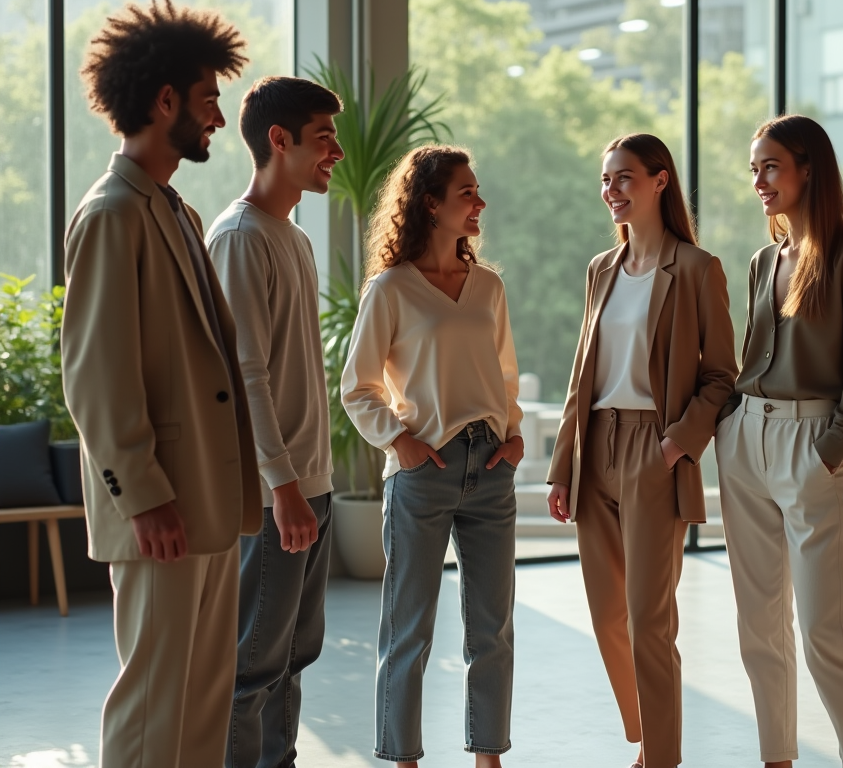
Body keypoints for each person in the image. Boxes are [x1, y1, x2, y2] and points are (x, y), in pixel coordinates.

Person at [60, 0, 258, 768]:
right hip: (162, 504)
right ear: (165, 100)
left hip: (202, 498)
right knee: (154, 702)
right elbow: (95, 372)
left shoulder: (170, 207)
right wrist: (141, 493)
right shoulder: (114, 213)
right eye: (207, 97)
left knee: (202, 697)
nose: (216, 115)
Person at [546, 133, 738, 768]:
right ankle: (644, 727)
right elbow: (582, 374)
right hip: (595, 444)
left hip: (655, 448)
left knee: (649, 618)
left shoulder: (697, 269)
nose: (611, 191)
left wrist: (677, 445)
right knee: (607, 617)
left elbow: (720, 376)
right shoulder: (601, 269)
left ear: (660, 181)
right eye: (606, 180)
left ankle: (660, 756)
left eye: (623, 178)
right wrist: (563, 465)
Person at [341, 145, 523, 768]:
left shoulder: (489, 287)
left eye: (477, 190)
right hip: (424, 473)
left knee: (492, 630)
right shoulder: (390, 290)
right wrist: (401, 442)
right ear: (430, 204)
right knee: (409, 630)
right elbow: (357, 387)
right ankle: (403, 760)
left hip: (491, 469)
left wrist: (515, 433)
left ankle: (488, 758)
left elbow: (504, 377)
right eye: (466, 192)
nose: (480, 202)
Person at [716, 114, 843, 768]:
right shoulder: (765, 260)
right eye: (754, 168)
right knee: (758, 626)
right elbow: (750, 356)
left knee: (821, 629)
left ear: (808, 167)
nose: (758, 180)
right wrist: (729, 422)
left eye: (770, 166)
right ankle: (775, 758)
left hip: (813, 444)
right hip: (745, 441)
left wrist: (831, 451)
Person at [205, 76, 345, 768]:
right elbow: (245, 376)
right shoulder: (237, 238)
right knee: (251, 664)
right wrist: (282, 486)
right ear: (278, 141)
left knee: (292, 657)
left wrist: (305, 484)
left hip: (306, 484)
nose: (338, 154)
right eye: (325, 140)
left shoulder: (292, 237)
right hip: (273, 495)